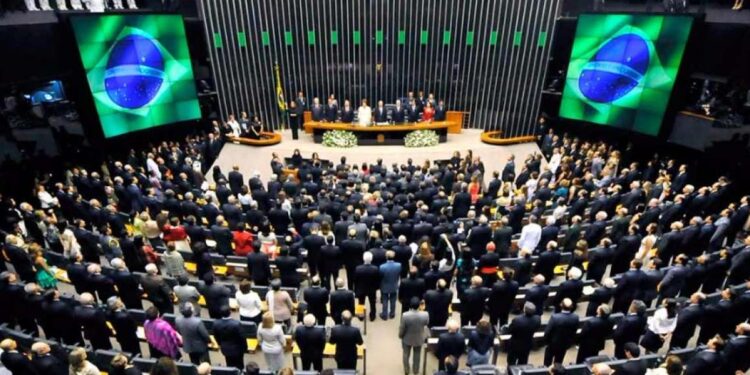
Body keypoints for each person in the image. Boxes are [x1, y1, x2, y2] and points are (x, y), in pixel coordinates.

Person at [543, 298, 579, 366]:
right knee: (559, 361)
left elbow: (548, 332)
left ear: (561, 305)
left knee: (547, 362)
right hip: (565, 344)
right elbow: (574, 330)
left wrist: (546, 342)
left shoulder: (555, 317)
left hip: (553, 344)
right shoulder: (575, 317)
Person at [400, 297, 429, 375]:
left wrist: (400, 335)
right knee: (417, 355)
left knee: (406, 354)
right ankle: (415, 371)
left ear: (410, 305)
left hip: (407, 338)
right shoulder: (425, 314)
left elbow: (402, 328)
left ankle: (406, 370)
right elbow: (426, 323)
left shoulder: (405, 315)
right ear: (419, 305)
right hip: (419, 337)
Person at [507, 302, 541, 367]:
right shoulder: (537, 319)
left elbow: (510, 330)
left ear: (524, 309)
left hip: (515, 344)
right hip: (527, 343)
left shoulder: (517, 320)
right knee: (523, 362)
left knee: (511, 362)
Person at [354, 252, 380, 321]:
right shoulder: (375, 268)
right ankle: (372, 316)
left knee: (360, 303)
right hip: (372, 289)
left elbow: (355, 280)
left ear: (363, 259)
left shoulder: (358, 268)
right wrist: (376, 288)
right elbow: (377, 280)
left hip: (361, 288)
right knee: (372, 303)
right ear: (371, 259)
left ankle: (360, 316)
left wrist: (356, 289)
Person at [379, 250, 402, 320]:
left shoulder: (382, 267)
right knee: (393, 300)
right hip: (394, 284)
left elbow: (380, 277)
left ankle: (384, 314)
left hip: (384, 285)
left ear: (386, 257)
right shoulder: (399, 265)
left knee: (385, 300)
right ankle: (392, 314)